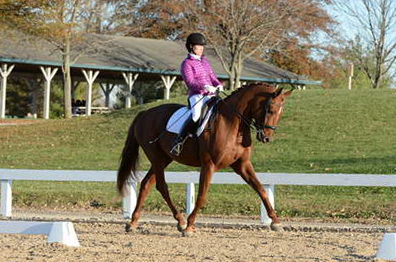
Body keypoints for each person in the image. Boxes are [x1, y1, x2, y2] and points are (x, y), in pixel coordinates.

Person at [170, 33, 223, 156]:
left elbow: (212, 77)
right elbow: (190, 82)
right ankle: (179, 141)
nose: (201, 49)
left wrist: (218, 84)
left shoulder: (205, 62)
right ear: (191, 47)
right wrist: (204, 86)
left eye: (202, 46)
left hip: (211, 94)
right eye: (198, 46)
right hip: (196, 95)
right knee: (196, 116)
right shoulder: (186, 63)